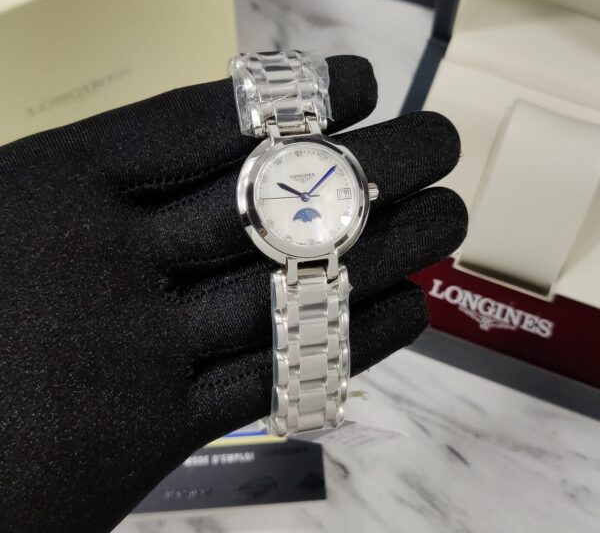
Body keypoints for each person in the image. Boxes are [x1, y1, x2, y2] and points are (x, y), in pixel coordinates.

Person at [0, 55, 467, 533]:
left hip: (326, 247)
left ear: (365, 192)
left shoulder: (337, 195)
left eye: (312, 192)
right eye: (296, 193)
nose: (306, 197)